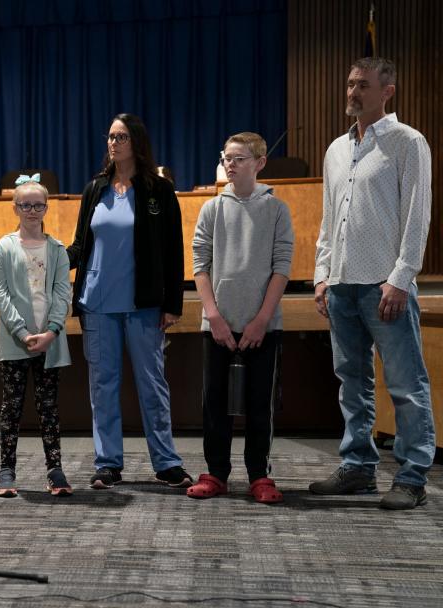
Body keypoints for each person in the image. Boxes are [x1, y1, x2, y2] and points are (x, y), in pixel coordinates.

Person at [310, 57, 435, 510]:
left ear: (388, 91)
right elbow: (328, 221)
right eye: (349, 84)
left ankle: (412, 474)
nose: (352, 92)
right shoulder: (336, 149)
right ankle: (359, 467)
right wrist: (322, 276)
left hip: (385, 285)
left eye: (362, 84)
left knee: (405, 384)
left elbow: (417, 217)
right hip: (342, 284)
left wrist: (401, 279)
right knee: (352, 383)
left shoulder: (407, 143)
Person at [66, 113, 192, 490]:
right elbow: (79, 246)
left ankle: (166, 462)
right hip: (98, 303)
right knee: (102, 386)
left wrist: (173, 303)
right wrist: (43, 255)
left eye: (120, 136)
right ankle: (107, 463)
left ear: (136, 141)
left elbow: (173, 251)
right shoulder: (95, 189)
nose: (113, 142)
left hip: (144, 303)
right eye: (110, 136)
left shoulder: (159, 190)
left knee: (152, 384)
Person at [187, 132, 293, 504]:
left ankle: (259, 475)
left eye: (239, 158)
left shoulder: (276, 209)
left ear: (260, 163)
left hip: (262, 325)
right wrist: (213, 316)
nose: (230, 164)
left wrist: (262, 319)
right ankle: (216, 472)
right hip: (219, 324)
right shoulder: (213, 209)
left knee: (260, 402)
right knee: (214, 402)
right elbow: (200, 265)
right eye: (226, 157)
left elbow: (281, 267)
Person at [0, 174, 73, 498]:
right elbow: (0, 294)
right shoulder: (4, 247)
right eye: (26, 205)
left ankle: (54, 469)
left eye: (38, 205)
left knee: (48, 407)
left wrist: (51, 332)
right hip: (16, 342)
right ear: (15, 208)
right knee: (12, 406)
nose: (32, 210)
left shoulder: (57, 249)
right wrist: (23, 334)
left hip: (49, 343)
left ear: (46, 207)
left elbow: (62, 293)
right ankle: (6, 469)